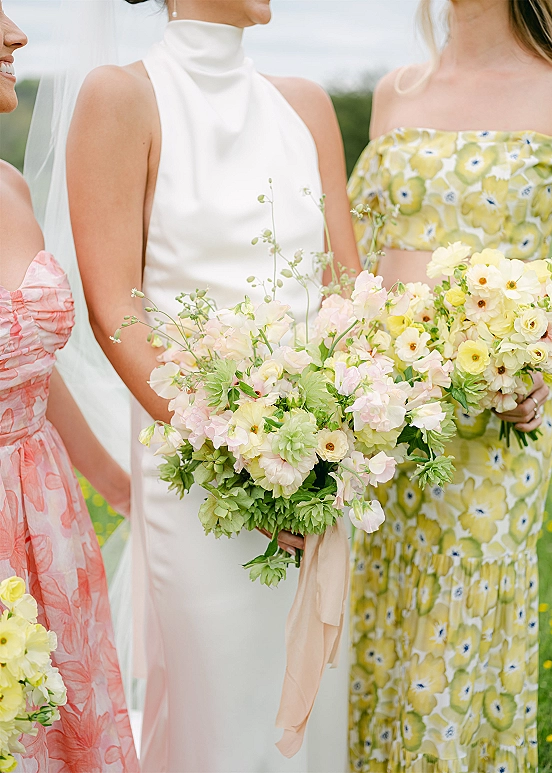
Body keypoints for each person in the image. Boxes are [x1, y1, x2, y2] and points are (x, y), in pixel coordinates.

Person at [66, 0, 360, 770]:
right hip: (202, 480)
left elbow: (347, 288)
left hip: (317, 468)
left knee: (311, 712)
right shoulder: (121, 97)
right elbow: (114, 310)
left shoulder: (307, 105)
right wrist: (245, 460)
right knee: (224, 722)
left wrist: (333, 443)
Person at [347, 0, 552, 771]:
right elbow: (360, 256)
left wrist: (543, 359)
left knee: (452, 642)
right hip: (385, 417)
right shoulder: (395, 93)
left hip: (497, 425)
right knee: (383, 627)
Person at [0, 4, 139, 771]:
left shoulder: (12, 186)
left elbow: (32, 372)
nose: (17, 34)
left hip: (50, 516)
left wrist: (120, 487)